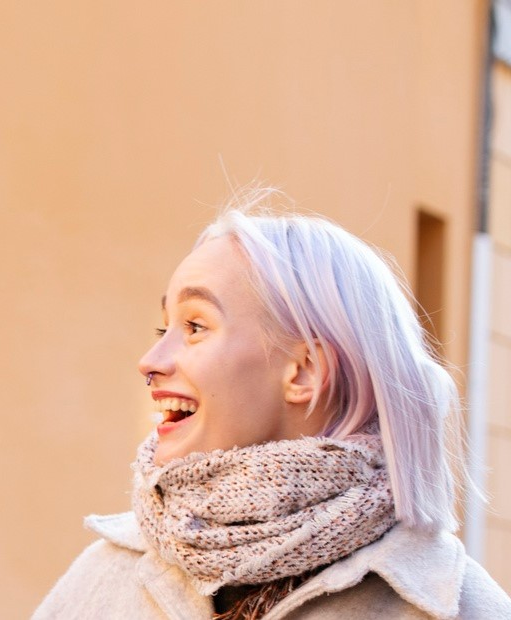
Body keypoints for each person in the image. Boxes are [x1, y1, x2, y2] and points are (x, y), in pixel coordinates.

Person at [36, 190, 511, 619]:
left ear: (304, 370)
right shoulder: (102, 577)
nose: (150, 362)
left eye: (196, 327)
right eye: (165, 330)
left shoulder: (449, 608)